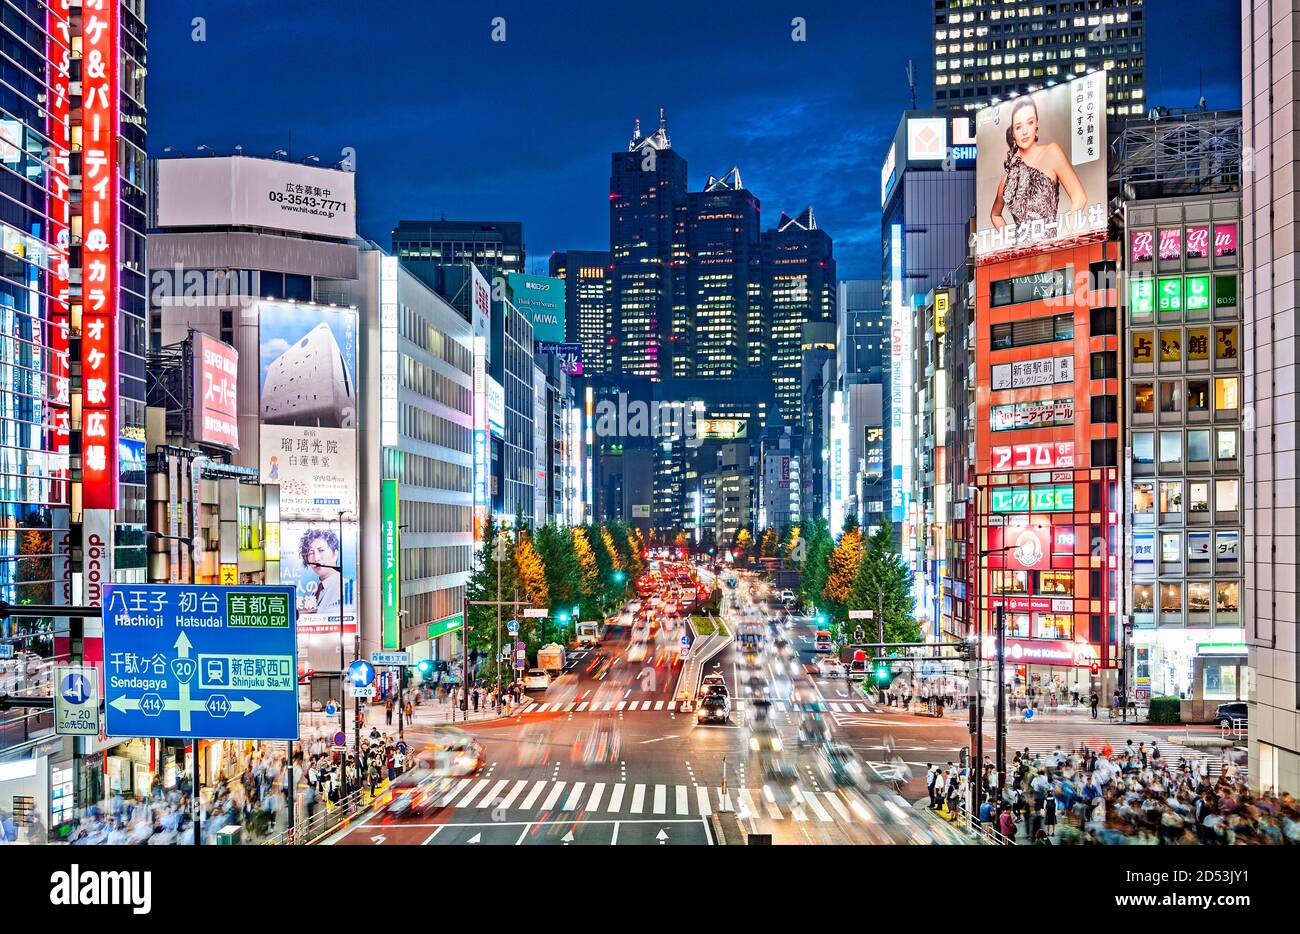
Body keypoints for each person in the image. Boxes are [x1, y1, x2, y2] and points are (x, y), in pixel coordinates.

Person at [989, 97, 1087, 229]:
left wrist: (1067, 235)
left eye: (1029, 122)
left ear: (1036, 125)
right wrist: (1011, 242)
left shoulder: (1051, 152)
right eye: (1018, 127)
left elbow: (1079, 196)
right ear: (1013, 134)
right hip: (1021, 248)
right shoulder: (1008, 179)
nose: (1024, 131)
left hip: (1051, 247)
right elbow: (995, 215)